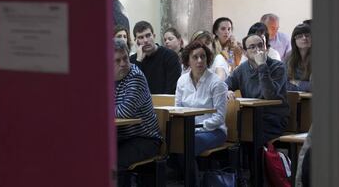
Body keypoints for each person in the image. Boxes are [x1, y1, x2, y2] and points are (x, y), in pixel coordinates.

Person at [174, 41, 228, 185]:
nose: (199, 61)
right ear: (187, 60)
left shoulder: (216, 83)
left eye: (203, 57)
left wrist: (197, 127)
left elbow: (219, 117)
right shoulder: (182, 81)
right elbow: (177, 109)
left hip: (215, 131)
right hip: (190, 130)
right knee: (171, 142)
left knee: (188, 144)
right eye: (195, 57)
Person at [114, 39, 162, 186]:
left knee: (114, 162)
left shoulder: (135, 77)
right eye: (117, 60)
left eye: (125, 58)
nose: (123, 63)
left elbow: (124, 112)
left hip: (145, 139)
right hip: (122, 137)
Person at [226, 33, 289, 143]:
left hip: (272, 118)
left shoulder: (278, 67)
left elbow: (270, 95)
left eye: (260, 45)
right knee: (228, 128)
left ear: (266, 48)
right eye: (252, 47)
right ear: (245, 52)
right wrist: (227, 91)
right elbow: (224, 85)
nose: (258, 49)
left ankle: (255, 159)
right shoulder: (242, 69)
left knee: (248, 132)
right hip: (250, 117)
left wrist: (262, 66)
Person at [129, 20, 182, 94]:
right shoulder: (132, 60)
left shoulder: (170, 56)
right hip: (140, 105)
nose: (146, 40)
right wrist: (138, 61)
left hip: (164, 103)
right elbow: (132, 89)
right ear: (136, 41)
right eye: (141, 37)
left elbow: (172, 89)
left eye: (148, 35)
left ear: (153, 36)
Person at [285, 23, 312, 92]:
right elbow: (284, 83)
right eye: (300, 36)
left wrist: (296, 82)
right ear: (294, 41)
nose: (304, 38)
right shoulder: (289, 57)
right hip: (295, 98)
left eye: (307, 35)